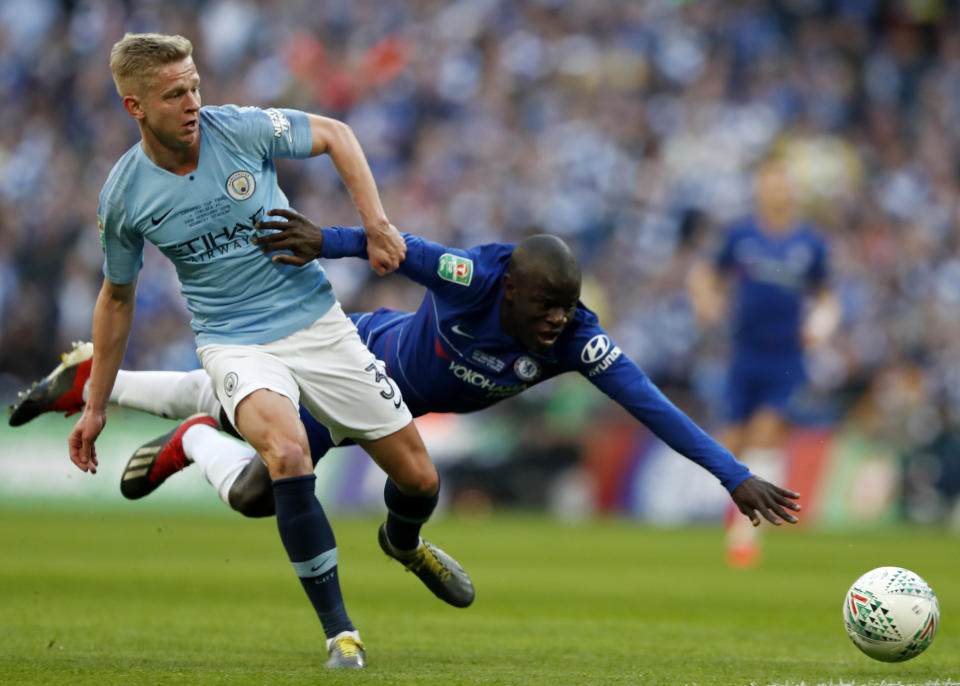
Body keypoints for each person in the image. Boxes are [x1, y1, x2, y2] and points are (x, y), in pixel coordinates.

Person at [64, 32, 473, 670]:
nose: (194, 101)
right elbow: (116, 299)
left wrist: (377, 225)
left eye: (195, 85)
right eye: (175, 94)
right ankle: (341, 634)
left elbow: (337, 133)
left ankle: (404, 541)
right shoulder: (124, 196)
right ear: (135, 107)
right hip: (233, 342)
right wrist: (94, 406)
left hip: (318, 325)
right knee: (287, 453)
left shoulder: (243, 129)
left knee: (420, 479)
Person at [14, 211, 803, 537]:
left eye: (571, 307)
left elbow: (653, 407)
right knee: (262, 492)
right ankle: (156, 417)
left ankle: (126, 401)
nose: (561, 319)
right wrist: (321, 239)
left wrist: (733, 476)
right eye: (550, 305)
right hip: (352, 368)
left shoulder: (575, 341)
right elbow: (394, 247)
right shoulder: (473, 276)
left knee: (242, 450)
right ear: (514, 287)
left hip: (389, 412)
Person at [687, 157, 839, 568]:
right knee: (733, 440)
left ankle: (745, 536)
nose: (778, 191)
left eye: (783, 184)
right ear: (759, 189)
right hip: (744, 355)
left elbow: (827, 295)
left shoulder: (810, 242)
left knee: (766, 431)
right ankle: (730, 518)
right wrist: (706, 300)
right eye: (770, 184)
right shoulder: (740, 234)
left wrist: (821, 324)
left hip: (786, 358)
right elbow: (705, 273)